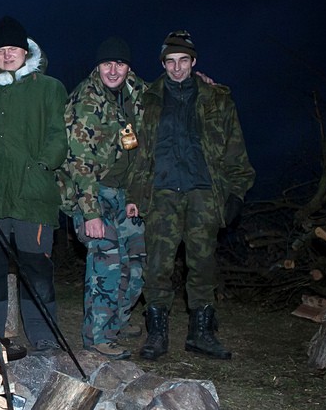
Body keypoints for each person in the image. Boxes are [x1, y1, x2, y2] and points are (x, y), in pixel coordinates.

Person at [128, 30, 255, 361]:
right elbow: (135, 153)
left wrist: (236, 194)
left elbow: (235, 150)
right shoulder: (147, 99)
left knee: (203, 265)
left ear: (194, 61)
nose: (177, 68)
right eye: (170, 61)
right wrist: (135, 194)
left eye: (183, 60)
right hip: (161, 194)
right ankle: (157, 335)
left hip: (203, 194)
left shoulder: (217, 99)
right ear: (162, 64)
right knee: (158, 265)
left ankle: (201, 334)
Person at [0, 16, 69, 351]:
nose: (7, 55)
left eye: (14, 49)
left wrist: (42, 166)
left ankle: (43, 335)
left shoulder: (49, 87)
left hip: (32, 194)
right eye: (1, 50)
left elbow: (58, 134)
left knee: (36, 268)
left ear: (26, 52)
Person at [62, 37, 147, 360]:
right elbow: (78, 162)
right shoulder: (85, 100)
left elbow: (171, 91)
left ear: (128, 67)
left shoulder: (138, 92)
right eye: (107, 64)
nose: (113, 70)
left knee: (137, 264)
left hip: (127, 194)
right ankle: (98, 338)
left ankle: (117, 322)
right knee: (106, 264)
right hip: (93, 193)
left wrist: (201, 82)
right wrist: (90, 213)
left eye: (120, 64)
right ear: (98, 66)